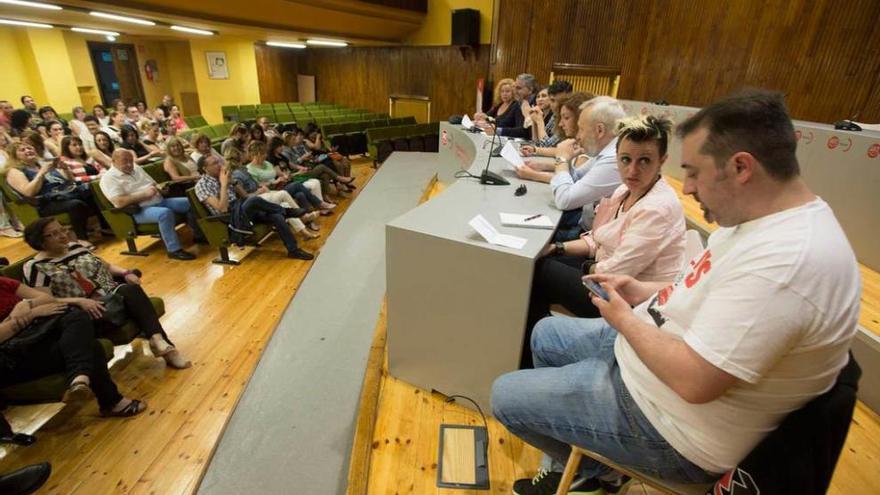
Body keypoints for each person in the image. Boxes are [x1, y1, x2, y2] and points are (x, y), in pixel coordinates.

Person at [492, 89, 861, 495]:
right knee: (544, 335)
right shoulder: (762, 221)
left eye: (694, 172)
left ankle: (594, 470)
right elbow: (705, 286)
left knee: (505, 395)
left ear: (741, 167)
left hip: (670, 426)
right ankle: (591, 469)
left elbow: (694, 381)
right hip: (648, 357)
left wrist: (624, 322)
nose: (686, 189)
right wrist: (642, 288)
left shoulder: (789, 262)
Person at [524, 115, 686, 366]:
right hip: (604, 273)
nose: (632, 170)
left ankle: (531, 353)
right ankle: (541, 345)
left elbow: (614, 272)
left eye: (644, 161)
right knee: (538, 260)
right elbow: (598, 242)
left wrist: (577, 261)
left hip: (628, 302)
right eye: (625, 160)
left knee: (538, 271)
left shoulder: (658, 208)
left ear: (661, 161)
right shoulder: (625, 191)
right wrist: (556, 248)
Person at [23, 217, 191, 369]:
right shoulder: (35, 267)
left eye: (62, 230)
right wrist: (78, 301)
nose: (62, 235)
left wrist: (126, 273)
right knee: (135, 300)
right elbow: (45, 301)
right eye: (53, 234)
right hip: (85, 310)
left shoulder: (75, 247)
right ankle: (164, 347)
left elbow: (107, 267)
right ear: (39, 241)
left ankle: (158, 340)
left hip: (111, 294)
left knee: (130, 288)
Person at [0, 274, 147, 417]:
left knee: (76, 316)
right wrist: (31, 314)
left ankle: (80, 380)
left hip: (36, 337)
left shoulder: (3, 282)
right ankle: (108, 400)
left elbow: (47, 298)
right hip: (11, 358)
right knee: (91, 346)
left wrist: (26, 304)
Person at [194, 154, 315, 260]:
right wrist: (224, 185)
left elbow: (244, 195)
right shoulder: (202, 185)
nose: (220, 165)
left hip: (242, 208)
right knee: (253, 200)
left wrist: (233, 182)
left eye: (219, 161)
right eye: (215, 163)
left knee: (276, 216)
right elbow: (222, 209)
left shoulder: (224, 177)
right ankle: (287, 211)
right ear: (205, 168)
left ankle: (293, 250)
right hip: (230, 217)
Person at [99, 149, 197, 260]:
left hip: (159, 200)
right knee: (165, 213)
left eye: (131, 160)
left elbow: (153, 184)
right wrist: (144, 194)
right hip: (139, 210)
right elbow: (119, 202)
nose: (129, 164)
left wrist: (161, 189)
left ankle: (199, 236)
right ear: (113, 161)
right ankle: (174, 250)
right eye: (125, 161)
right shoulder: (108, 178)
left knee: (190, 202)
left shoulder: (136, 168)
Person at [551, 96, 625, 240]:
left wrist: (561, 160)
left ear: (599, 130)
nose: (578, 136)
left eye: (581, 129)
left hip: (591, 237)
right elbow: (576, 179)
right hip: (585, 222)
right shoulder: (606, 151)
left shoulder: (613, 159)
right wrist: (569, 160)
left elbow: (564, 200)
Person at [5, 142, 98, 240]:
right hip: (46, 203)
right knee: (75, 204)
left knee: (93, 192)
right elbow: (28, 192)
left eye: (29, 147)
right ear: (15, 156)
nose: (28, 150)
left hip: (64, 194)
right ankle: (81, 239)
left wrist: (65, 169)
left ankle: (105, 227)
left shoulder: (42, 163)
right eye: (22, 150)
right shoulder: (14, 171)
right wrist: (41, 173)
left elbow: (70, 181)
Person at [225, 147, 320, 240]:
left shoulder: (243, 169)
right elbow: (244, 197)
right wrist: (258, 191)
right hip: (255, 201)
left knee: (285, 203)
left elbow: (256, 184)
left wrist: (263, 187)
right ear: (239, 156)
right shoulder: (236, 175)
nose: (246, 154)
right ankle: (303, 216)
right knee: (283, 193)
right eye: (243, 153)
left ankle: (305, 233)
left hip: (263, 193)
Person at [513, 92, 593, 184]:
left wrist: (532, 174)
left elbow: (570, 181)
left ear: (581, 119)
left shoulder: (589, 150)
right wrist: (541, 164)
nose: (560, 124)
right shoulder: (579, 142)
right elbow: (567, 160)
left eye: (566, 118)